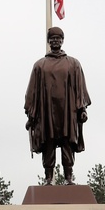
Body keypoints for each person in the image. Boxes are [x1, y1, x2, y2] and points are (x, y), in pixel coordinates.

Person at [25, 26, 91, 185]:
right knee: (48, 144)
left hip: (67, 111)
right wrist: (31, 115)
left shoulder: (73, 63)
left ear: (62, 40)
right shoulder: (40, 65)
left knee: (67, 143)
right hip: (46, 112)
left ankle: (69, 178)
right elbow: (32, 91)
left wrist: (82, 108)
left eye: (58, 38)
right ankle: (48, 178)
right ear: (49, 41)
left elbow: (80, 88)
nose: (55, 41)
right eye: (52, 38)